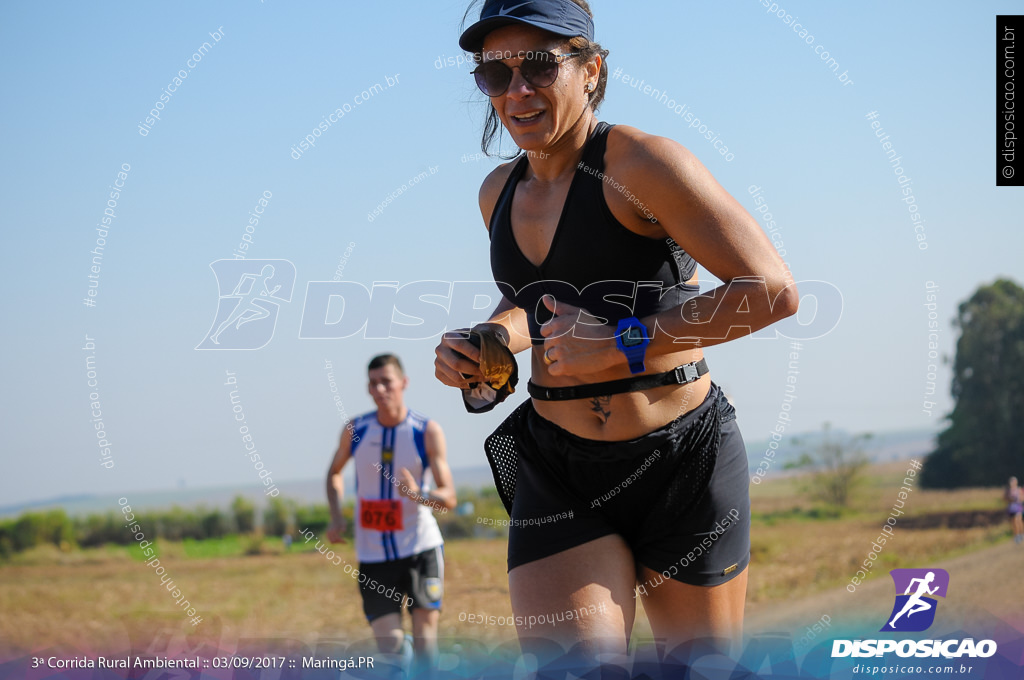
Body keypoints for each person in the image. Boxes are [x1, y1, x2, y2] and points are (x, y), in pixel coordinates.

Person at [433, 0, 799, 666]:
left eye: (539, 65)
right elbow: (531, 305)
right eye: (494, 74)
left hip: (681, 463)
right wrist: (487, 340)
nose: (516, 90)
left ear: (591, 69)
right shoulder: (497, 191)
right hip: (560, 466)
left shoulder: (643, 163)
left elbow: (771, 293)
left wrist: (627, 339)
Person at [326, 354, 456, 677]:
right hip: (373, 556)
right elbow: (334, 474)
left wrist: (419, 496)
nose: (380, 389)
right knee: (392, 649)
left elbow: (449, 497)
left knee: (426, 642)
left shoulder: (425, 431)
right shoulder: (356, 429)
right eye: (373, 383)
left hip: (420, 548)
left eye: (387, 381)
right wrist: (336, 515)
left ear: (404, 383)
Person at [1006, 476, 1023, 544]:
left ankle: (1021, 533)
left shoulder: (1019, 489)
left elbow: (1022, 498)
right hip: (1011, 508)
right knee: (1013, 522)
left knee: (1018, 521)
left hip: (1018, 507)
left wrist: (1018, 499)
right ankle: (1016, 535)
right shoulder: (1008, 491)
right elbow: (1005, 498)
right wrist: (1010, 499)